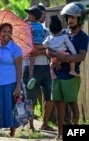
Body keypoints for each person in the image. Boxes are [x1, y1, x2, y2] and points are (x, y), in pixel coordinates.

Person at [46, 2, 88, 140]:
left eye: (73, 18)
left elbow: (81, 56)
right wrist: (53, 55)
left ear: (79, 19)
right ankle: (60, 134)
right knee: (58, 106)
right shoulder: (62, 33)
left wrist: (62, 58)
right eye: (68, 17)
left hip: (71, 76)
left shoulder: (82, 37)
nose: (69, 20)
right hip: (57, 75)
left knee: (72, 104)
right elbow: (48, 49)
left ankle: (74, 133)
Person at [22, 5, 55, 132]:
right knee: (31, 98)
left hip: (46, 67)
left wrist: (37, 51)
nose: (43, 16)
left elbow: (51, 48)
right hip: (30, 67)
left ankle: (44, 123)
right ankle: (30, 126)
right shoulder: (24, 29)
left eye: (43, 14)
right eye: (41, 13)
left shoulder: (46, 30)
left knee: (50, 96)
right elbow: (23, 47)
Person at [43, 15, 79, 80]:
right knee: (72, 60)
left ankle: (52, 74)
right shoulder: (64, 36)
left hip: (53, 56)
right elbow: (70, 46)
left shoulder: (49, 38)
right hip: (63, 55)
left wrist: (48, 46)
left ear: (51, 30)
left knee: (51, 64)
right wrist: (74, 53)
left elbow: (44, 45)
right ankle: (72, 70)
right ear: (61, 28)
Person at [24, 6, 45, 89]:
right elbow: (42, 35)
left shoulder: (28, 26)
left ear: (32, 17)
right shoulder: (40, 26)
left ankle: (31, 77)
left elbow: (21, 27)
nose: (27, 16)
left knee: (31, 63)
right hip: (40, 44)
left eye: (29, 14)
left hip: (32, 46)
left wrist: (26, 20)